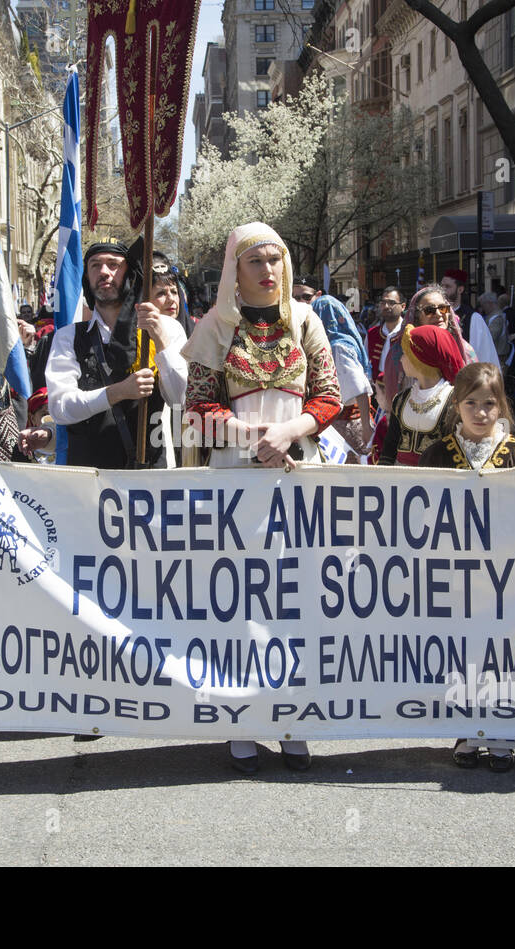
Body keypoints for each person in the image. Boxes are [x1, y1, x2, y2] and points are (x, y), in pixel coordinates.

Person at [182, 222, 340, 773]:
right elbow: (197, 407)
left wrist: (290, 431)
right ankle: (243, 721)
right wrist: (251, 435)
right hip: (235, 476)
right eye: (257, 261)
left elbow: (329, 396)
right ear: (236, 268)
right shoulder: (214, 328)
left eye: (276, 260)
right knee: (242, 600)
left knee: (298, 596)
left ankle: (294, 719)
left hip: (299, 472)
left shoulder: (306, 320)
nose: (269, 271)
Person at [418, 362, 515, 770]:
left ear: (502, 405)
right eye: (471, 403)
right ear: (456, 405)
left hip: (507, 577)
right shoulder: (436, 455)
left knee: (501, 653)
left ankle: (502, 733)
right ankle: (468, 730)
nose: (481, 412)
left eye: (489, 403)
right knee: (464, 653)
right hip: (454, 576)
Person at [46, 241, 188, 469]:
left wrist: (160, 338)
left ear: (130, 274)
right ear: (87, 277)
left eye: (113, 265)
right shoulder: (67, 337)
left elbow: (181, 398)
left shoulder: (167, 328)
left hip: (150, 477)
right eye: (95, 265)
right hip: (90, 480)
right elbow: (61, 408)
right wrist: (117, 393)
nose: (104, 272)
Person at [379, 322, 465, 465]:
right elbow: (389, 447)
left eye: (406, 354)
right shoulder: (401, 399)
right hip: (400, 483)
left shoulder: (453, 401)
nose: (401, 359)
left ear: (421, 359)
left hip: (435, 482)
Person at [312, 295, 373, 458]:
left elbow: (359, 389)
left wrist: (366, 427)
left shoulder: (338, 347)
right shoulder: (341, 342)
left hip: (349, 424)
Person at [441, 269, 499, 366]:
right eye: (441, 286)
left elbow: (484, 353)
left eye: (447, 287)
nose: (443, 291)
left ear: (460, 289)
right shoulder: (437, 314)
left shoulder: (473, 318)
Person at [365, 286, 404, 381]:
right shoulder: (372, 333)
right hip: (377, 391)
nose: (386, 306)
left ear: (403, 306)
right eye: (383, 303)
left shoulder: (409, 333)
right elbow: (365, 364)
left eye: (391, 303)